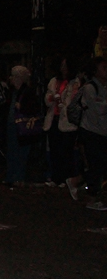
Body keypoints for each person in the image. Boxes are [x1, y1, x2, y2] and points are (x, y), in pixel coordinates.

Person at [68, 57, 107, 210]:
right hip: (91, 131)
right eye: (104, 67)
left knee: (100, 165)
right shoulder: (90, 88)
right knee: (96, 165)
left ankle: (76, 181)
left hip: (103, 131)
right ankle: (91, 198)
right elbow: (97, 109)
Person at [43, 57, 78, 186]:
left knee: (66, 151)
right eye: (61, 66)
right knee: (54, 149)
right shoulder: (54, 81)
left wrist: (62, 104)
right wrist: (52, 98)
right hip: (54, 118)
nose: (63, 69)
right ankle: (56, 177)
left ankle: (65, 178)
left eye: (65, 66)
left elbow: (72, 101)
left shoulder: (75, 82)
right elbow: (47, 98)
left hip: (66, 121)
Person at [3, 66, 41, 187]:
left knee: (21, 153)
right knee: (11, 152)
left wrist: (22, 107)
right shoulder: (12, 92)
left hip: (22, 126)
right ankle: (11, 176)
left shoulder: (28, 92)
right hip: (12, 124)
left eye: (13, 76)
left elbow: (34, 109)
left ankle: (18, 177)